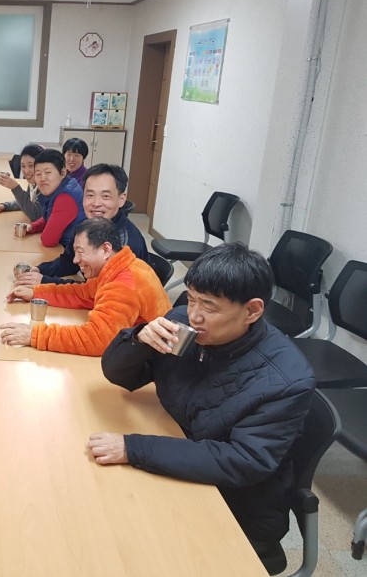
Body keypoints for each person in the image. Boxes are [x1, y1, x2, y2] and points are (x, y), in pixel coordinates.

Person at [88, 243, 315, 574]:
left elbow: (243, 461)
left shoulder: (285, 379)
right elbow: (119, 375)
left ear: (252, 311)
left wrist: (134, 448)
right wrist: (137, 341)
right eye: (192, 298)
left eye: (209, 306)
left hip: (235, 505)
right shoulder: (185, 325)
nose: (194, 315)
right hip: (179, 459)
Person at [0, 217, 169, 357]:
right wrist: (36, 292)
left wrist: (35, 335)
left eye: (81, 252)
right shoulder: (122, 266)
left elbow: (98, 339)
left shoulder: (123, 284)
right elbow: (82, 294)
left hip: (152, 361)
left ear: (105, 250)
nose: (75, 260)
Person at [17, 164, 149, 286]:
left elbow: (98, 292)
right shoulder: (87, 225)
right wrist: (39, 270)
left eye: (105, 196)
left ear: (121, 200)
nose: (96, 203)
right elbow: (69, 262)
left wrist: (45, 281)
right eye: (90, 195)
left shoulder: (126, 244)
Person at [19, 149, 86, 251]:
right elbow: (51, 216)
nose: (42, 178)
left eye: (48, 172)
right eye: (38, 174)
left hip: (73, 254)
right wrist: (32, 227)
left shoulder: (65, 198)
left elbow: (48, 240)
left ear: (63, 172)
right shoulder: (63, 186)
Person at [0, 144, 43, 221]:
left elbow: (35, 215)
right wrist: (5, 206)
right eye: (23, 166)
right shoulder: (33, 184)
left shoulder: (45, 187)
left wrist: (15, 188)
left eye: (31, 166)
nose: (26, 171)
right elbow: (27, 202)